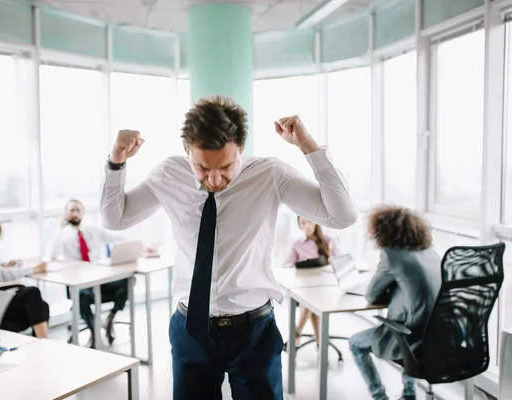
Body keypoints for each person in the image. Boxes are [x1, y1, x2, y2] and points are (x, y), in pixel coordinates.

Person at [100, 94, 357, 400]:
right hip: (190, 330)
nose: (214, 178)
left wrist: (310, 148)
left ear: (241, 149)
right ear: (187, 151)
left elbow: (342, 216)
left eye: (225, 166)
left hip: (254, 332)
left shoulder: (270, 174)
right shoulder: (169, 174)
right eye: (202, 168)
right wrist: (117, 160)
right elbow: (114, 218)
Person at [349, 205, 441, 400]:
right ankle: (409, 393)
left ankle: (379, 396)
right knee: (411, 329)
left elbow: (372, 296)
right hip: (438, 335)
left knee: (356, 344)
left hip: (410, 336)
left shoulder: (392, 255)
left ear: (382, 231)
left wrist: (387, 289)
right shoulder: (430, 253)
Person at [46, 199, 137, 347]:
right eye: (71, 210)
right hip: (80, 284)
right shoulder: (62, 235)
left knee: (129, 280)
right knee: (81, 296)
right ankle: (94, 331)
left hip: (100, 280)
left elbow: (119, 238)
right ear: (65, 214)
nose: (75, 214)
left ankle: (110, 318)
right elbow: (52, 255)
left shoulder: (93, 230)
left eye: (78, 210)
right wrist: (59, 228)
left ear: (83, 213)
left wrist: (142, 245)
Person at [284, 216, 339, 347]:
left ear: (316, 222)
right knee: (309, 301)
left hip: (327, 288)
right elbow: (287, 265)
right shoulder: (297, 244)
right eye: (302, 223)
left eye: (309, 221)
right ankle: (320, 342)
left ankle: (296, 333)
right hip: (305, 287)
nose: (306, 225)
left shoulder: (328, 241)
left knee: (309, 302)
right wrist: (303, 263)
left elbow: (338, 263)